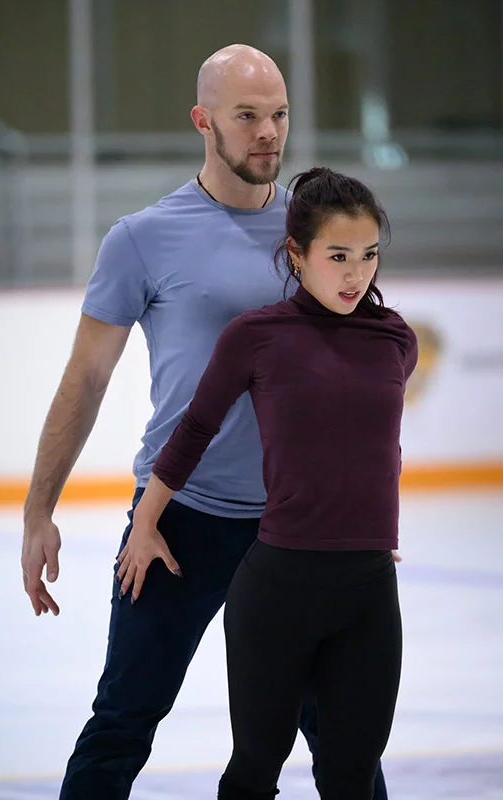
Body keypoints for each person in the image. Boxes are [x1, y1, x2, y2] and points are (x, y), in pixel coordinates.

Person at [20, 45, 389, 799]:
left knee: (341, 740)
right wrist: (38, 510)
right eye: (246, 115)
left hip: (299, 530)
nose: (268, 132)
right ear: (202, 121)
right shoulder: (142, 238)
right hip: (178, 523)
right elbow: (86, 379)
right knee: (124, 718)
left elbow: (356, 378)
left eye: (279, 114)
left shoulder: (318, 234)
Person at [117, 166, 418, 800]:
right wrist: (145, 520)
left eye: (368, 255)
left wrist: (364, 524)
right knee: (256, 769)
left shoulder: (395, 338)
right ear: (296, 254)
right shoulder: (256, 336)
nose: (355, 274)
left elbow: (374, 442)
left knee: (353, 776)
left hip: (368, 590)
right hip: (278, 589)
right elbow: (194, 430)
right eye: (338, 256)